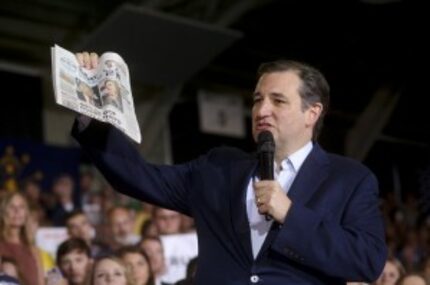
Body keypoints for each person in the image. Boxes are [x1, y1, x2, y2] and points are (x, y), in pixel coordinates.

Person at [73, 53, 387, 284]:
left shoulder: (350, 180)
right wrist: (91, 112)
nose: (262, 110)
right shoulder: (218, 168)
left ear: (312, 113)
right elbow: (139, 178)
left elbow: (366, 261)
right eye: (257, 99)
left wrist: (292, 215)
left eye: (278, 101)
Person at [0, 192, 45, 285]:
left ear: (26, 213)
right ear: (3, 211)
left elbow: (41, 283)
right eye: (12, 207)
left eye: (21, 207)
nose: (17, 211)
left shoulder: (33, 249)